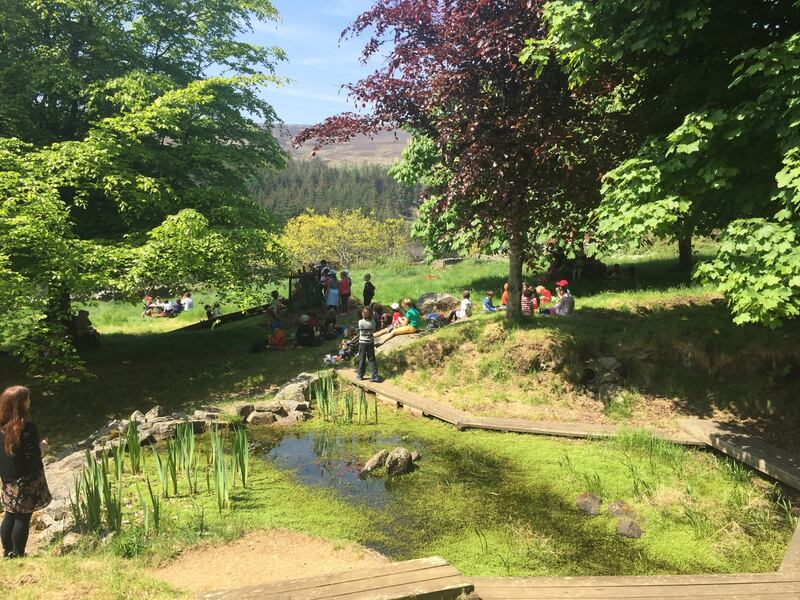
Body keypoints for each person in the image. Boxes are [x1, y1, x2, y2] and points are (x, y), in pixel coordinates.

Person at [0, 386, 51, 559]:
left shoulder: (2, 427)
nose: (30, 401)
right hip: (27, 480)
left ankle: (7, 550)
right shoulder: (26, 428)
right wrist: (42, 447)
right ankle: (18, 553)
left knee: (10, 513)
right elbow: (32, 457)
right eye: (28, 398)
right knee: (22, 517)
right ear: (21, 403)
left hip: (8, 480)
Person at [357, 307, 381, 382]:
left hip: (362, 342)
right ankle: (375, 376)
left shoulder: (360, 322)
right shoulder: (373, 321)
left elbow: (360, 330)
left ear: (363, 314)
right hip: (370, 342)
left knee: (362, 358)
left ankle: (360, 375)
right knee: (372, 359)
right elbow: (373, 329)